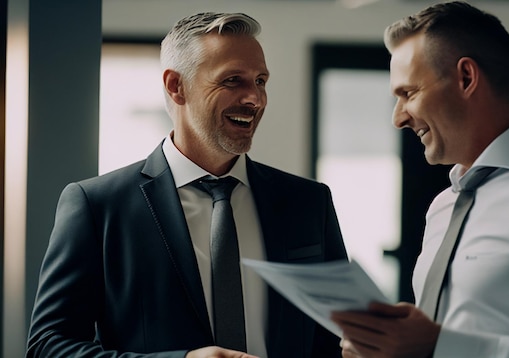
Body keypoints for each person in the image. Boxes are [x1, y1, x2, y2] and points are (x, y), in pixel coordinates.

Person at [27, 12, 347, 358]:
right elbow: (47, 346)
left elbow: (338, 337)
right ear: (176, 86)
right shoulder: (98, 206)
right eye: (232, 80)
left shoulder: (309, 202)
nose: (254, 98)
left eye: (260, 81)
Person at [331, 2, 509, 357]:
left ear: (466, 78)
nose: (398, 118)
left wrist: (439, 345)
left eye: (408, 94)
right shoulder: (445, 205)